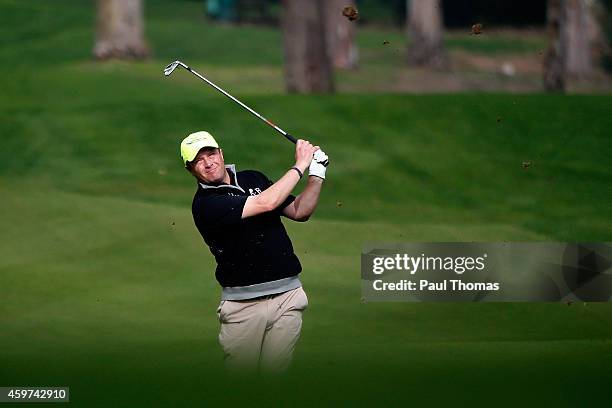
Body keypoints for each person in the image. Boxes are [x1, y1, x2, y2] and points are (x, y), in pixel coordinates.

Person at [180, 130, 328, 372]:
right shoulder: (206, 205)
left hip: (288, 296)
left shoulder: (253, 179)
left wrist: (317, 174)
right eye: (198, 160)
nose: (208, 163)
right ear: (190, 169)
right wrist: (301, 164)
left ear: (221, 153)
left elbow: (300, 211)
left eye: (211, 154)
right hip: (243, 306)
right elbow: (265, 203)